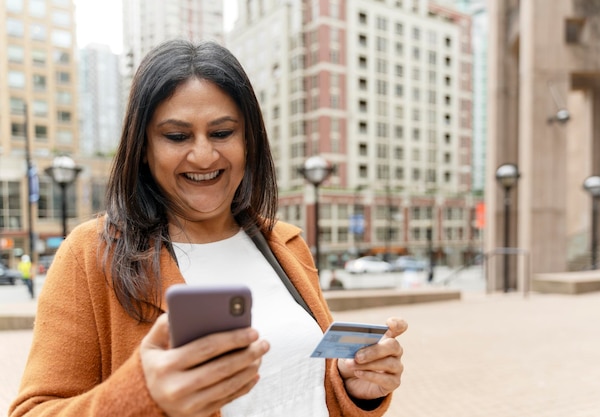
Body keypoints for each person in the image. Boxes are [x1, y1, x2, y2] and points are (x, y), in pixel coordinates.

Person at [10, 39, 407, 417]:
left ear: (249, 140)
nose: (203, 155)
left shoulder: (286, 244)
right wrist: (142, 395)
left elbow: (303, 391)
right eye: (177, 136)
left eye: (221, 133)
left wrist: (353, 386)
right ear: (143, 148)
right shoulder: (90, 255)